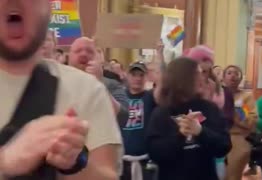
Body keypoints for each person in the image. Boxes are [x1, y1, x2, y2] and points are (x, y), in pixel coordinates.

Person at [0, 1, 122, 179]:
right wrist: (6, 161)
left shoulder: (87, 89)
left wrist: (75, 161)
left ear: (48, 8)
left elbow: (108, 175)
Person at [146, 57, 231, 180]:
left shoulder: (209, 108)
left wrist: (201, 132)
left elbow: (224, 146)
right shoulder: (161, 113)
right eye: (197, 73)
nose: (202, 78)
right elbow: (155, 154)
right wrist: (180, 134)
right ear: (182, 78)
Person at [68, 37, 128, 121]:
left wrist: (99, 84)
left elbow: (122, 117)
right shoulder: (58, 82)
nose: (84, 54)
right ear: (69, 56)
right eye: (78, 50)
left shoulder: (112, 84)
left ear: (97, 57)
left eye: (89, 51)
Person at [121, 61, 159, 180]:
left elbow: (164, 87)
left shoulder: (151, 97)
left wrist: (160, 56)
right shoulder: (119, 96)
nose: (137, 78)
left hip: (145, 161)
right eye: (134, 74)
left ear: (146, 77)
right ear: (127, 75)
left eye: (141, 75)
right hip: (122, 161)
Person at [222, 65, 257, 180]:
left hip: (237, 141)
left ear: (240, 78)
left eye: (236, 73)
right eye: (229, 73)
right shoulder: (217, 95)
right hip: (217, 139)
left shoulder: (246, 97)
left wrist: (237, 110)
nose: (233, 75)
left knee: (232, 176)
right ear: (223, 77)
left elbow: (250, 121)